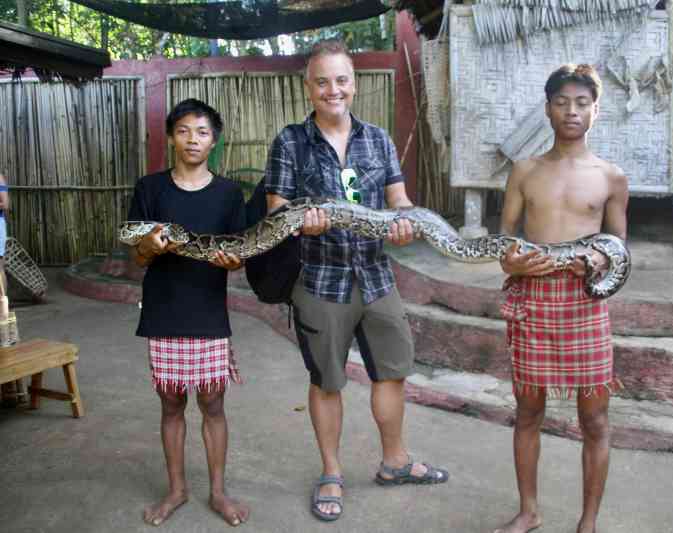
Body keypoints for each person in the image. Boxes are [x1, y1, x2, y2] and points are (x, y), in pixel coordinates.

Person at [263, 40, 449, 522]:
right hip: (321, 279)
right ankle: (331, 472)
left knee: (391, 370)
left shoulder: (378, 139)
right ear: (308, 87)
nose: (333, 89)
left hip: (375, 275)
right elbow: (275, 209)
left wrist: (406, 221)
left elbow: (399, 199)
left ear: (355, 84)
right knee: (327, 380)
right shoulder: (290, 141)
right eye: (322, 81)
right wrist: (301, 220)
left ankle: (395, 461)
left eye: (341, 80)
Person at [493, 64, 628, 533]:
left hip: (586, 307)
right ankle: (528, 512)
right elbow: (504, 241)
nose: (572, 111)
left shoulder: (611, 177)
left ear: (595, 110)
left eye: (582, 103)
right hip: (533, 302)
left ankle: (587, 522)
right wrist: (511, 264)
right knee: (528, 411)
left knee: (594, 419)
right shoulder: (525, 170)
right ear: (547, 108)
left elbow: (618, 252)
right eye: (561, 102)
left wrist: (597, 262)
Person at [128, 98, 250, 527]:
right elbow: (137, 257)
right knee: (171, 402)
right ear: (171, 137)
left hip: (207, 309)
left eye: (201, 131)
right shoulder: (150, 190)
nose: (192, 139)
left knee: (213, 402)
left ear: (213, 140)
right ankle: (176, 490)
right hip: (164, 307)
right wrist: (150, 245)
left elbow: (239, 253)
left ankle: (217, 492)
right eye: (183, 131)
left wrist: (233, 262)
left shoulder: (230, 193)